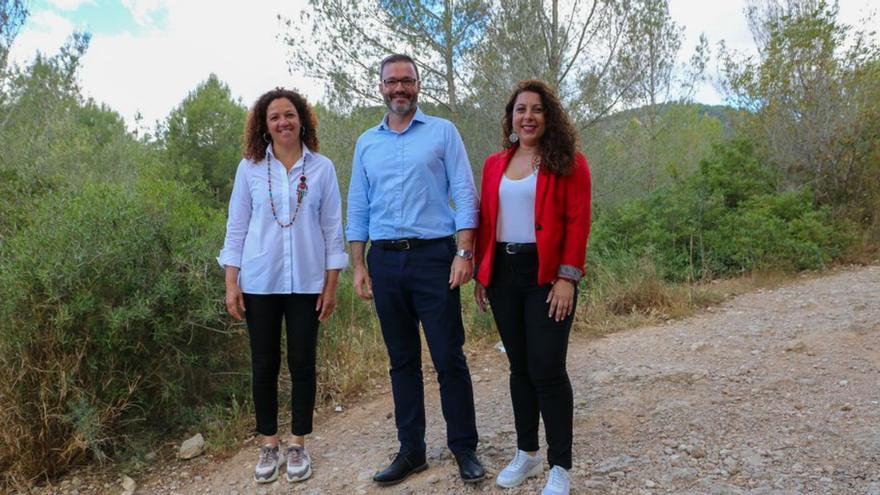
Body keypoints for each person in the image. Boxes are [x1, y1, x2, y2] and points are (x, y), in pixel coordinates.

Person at [346, 53, 486, 486]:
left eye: (407, 80)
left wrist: (465, 253)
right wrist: (357, 264)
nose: (399, 88)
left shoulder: (443, 132)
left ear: (418, 85)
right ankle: (412, 451)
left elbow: (464, 193)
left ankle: (464, 448)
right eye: (392, 82)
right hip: (384, 261)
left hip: (434, 258)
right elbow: (358, 205)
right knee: (401, 359)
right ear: (381, 87)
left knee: (448, 355)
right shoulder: (367, 143)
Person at [217, 88, 348, 484]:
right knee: (264, 365)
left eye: (289, 115)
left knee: (303, 364)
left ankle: (297, 443)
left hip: (308, 282)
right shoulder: (250, 169)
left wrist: (330, 285)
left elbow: (331, 230)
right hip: (260, 280)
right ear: (264, 125)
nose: (283, 122)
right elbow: (237, 227)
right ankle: (269, 442)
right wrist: (231, 283)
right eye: (274, 117)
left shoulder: (322, 168)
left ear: (302, 119)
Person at [473, 80, 591, 495]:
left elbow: (578, 223)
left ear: (548, 116)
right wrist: (482, 276)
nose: (528, 117)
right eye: (520, 109)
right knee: (519, 368)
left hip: (546, 275)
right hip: (504, 274)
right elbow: (486, 221)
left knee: (548, 369)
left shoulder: (568, 162)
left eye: (536, 109)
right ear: (510, 118)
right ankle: (527, 453)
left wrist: (566, 277)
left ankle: (560, 466)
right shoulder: (493, 165)